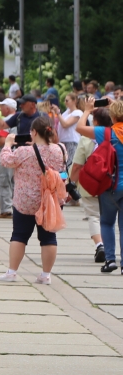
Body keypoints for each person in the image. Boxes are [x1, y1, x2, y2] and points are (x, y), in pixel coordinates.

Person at [0, 115, 65, 284]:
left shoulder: (23, 152)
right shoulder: (61, 150)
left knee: (19, 235)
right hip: (50, 201)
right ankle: (46, 275)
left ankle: (12, 272)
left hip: (26, 201)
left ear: (34, 132)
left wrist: (7, 144)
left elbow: (6, 160)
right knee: (49, 238)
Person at [76, 101, 123, 273]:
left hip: (110, 186)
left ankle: (110, 260)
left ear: (112, 116)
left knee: (107, 223)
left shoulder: (106, 133)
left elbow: (80, 128)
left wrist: (87, 110)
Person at [0, 98, 18, 219]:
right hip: (18, 154)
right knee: (15, 182)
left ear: (8, 108)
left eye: (2, 107)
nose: (1, 109)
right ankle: (17, 209)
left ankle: (6, 209)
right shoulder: (20, 119)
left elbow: (2, 140)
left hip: (7, 154)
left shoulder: (7, 121)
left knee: (4, 181)